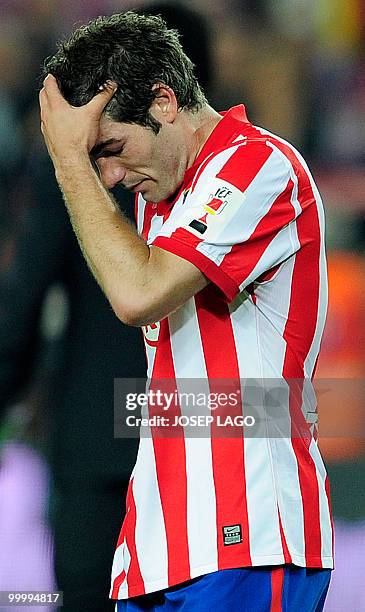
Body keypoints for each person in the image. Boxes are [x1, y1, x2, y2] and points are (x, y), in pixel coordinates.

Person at [39, 11, 334, 611]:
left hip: (249, 541)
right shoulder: (162, 195)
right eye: (98, 161)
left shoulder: (259, 167)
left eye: (115, 150)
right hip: (156, 550)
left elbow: (138, 294)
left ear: (166, 101)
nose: (114, 177)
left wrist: (70, 162)